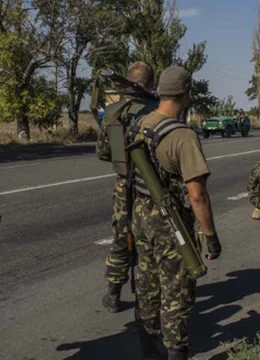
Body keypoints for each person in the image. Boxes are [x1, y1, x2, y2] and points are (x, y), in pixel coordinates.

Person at [131, 66, 221, 360]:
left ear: (159, 92)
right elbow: (197, 195)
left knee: (147, 281)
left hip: (141, 213)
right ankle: (176, 353)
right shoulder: (182, 136)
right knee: (177, 292)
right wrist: (211, 237)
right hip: (171, 221)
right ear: (187, 94)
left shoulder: (141, 123)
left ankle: (147, 348)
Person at [96, 62, 158, 313]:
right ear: (151, 83)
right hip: (152, 184)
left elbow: (103, 153)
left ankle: (113, 292)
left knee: (121, 236)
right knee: (149, 238)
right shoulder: (157, 109)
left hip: (124, 183)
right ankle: (150, 294)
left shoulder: (113, 111)